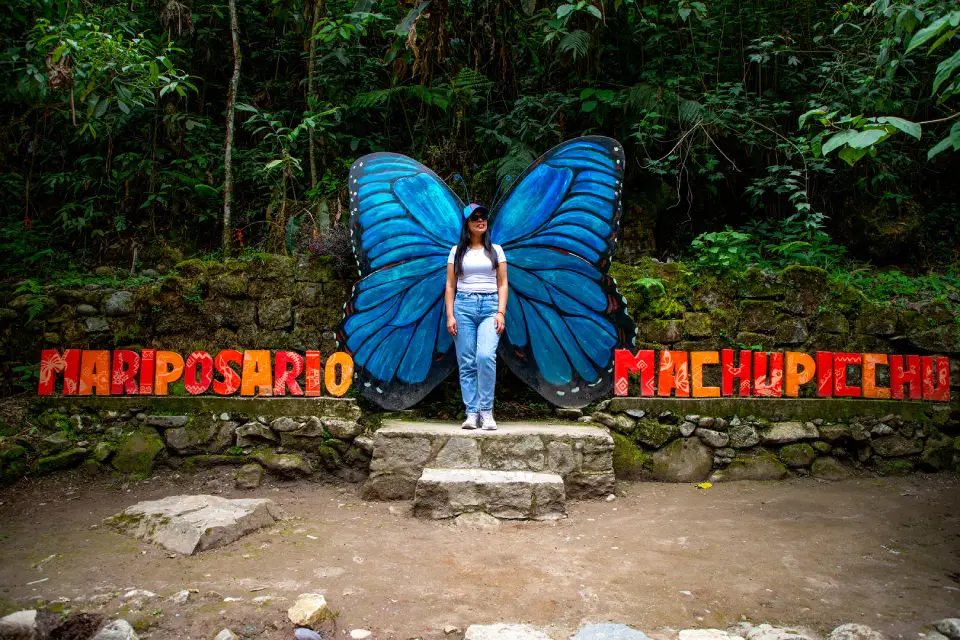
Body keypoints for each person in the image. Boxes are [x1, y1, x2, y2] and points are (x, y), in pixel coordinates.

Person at [445, 204, 508, 430]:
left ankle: (486, 412)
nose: (480, 221)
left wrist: (501, 312)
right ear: (467, 225)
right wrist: (450, 315)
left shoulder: (497, 250)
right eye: (475, 219)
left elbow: (502, 283)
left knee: (485, 356)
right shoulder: (456, 252)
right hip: (463, 306)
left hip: (491, 305)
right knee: (467, 362)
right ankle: (471, 413)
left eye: (483, 217)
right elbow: (450, 286)